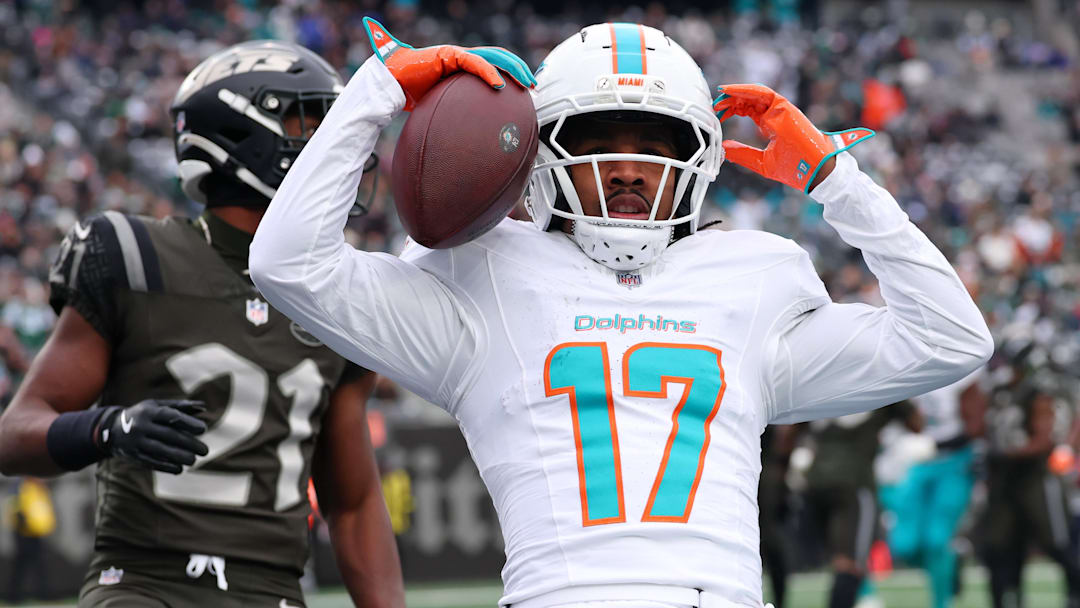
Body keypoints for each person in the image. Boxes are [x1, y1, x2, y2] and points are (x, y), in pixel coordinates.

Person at [249, 19, 993, 608]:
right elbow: (287, 265)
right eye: (599, 142)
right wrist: (375, 89)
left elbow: (951, 338)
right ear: (538, 155)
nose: (631, 167)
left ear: (700, 159)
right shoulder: (480, 275)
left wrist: (839, 181)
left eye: (653, 144)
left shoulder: (752, 276)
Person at [0, 41, 404, 608]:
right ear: (241, 136)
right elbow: (14, 436)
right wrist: (107, 429)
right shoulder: (134, 256)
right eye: (308, 124)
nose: (333, 147)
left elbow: (354, 502)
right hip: (145, 586)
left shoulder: (337, 287)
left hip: (274, 593)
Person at [879, 370, 987, 608]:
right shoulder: (911, 369)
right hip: (920, 466)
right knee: (903, 544)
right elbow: (904, 417)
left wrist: (936, 443)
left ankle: (942, 602)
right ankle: (954, 559)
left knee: (936, 541)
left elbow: (977, 426)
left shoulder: (964, 374)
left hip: (954, 464)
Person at [801, 403, 922, 608]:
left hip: (815, 481)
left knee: (839, 561)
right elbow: (917, 424)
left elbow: (789, 431)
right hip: (853, 483)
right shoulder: (878, 378)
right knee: (850, 563)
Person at [5, 477, 55, 604]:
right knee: (22, 564)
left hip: (36, 532)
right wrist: (21, 521)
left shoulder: (39, 489)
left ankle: (42, 594)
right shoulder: (21, 487)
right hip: (23, 532)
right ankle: (14, 596)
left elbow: (42, 509)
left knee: (38, 564)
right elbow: (14, 506)